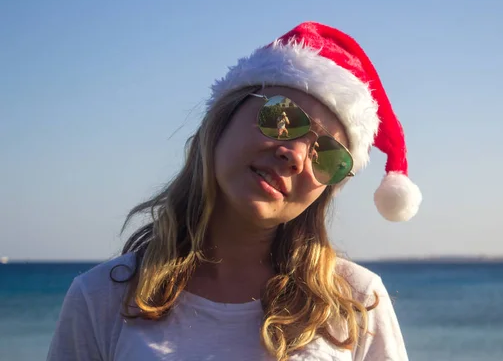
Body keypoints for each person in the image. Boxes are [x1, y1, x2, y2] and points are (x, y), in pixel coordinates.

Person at [47, 21, 423, 361]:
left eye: (327, 157)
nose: (294, 156)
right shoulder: (101, 297)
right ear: (222, 121)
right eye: (281, 117)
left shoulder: (356, 302)